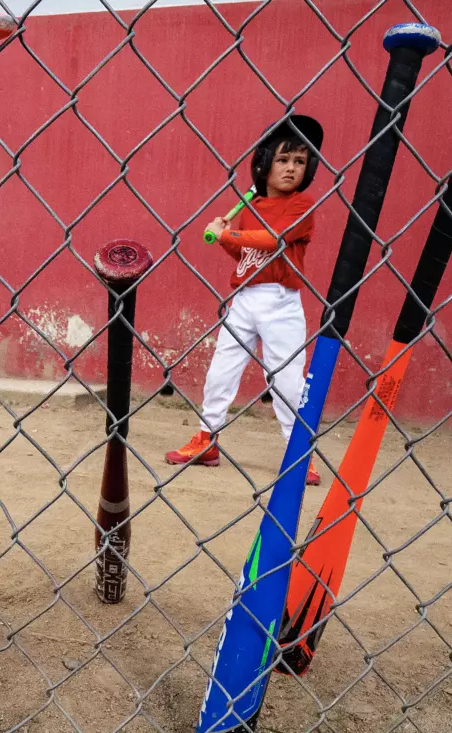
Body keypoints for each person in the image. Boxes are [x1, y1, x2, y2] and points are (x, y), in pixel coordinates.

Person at [166, 115, 324, 486]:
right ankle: (207, 438)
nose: (291, 169)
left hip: (282, 304)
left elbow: (274, 240)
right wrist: (223, 238)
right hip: (244, 298)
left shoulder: (302, 205)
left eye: (300, 162)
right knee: (222, 371)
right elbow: (248, 258)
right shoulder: (249, 205)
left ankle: (299, 453)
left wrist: (230, 237)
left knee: (286, 381)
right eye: (283, 160)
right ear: (265, 163)